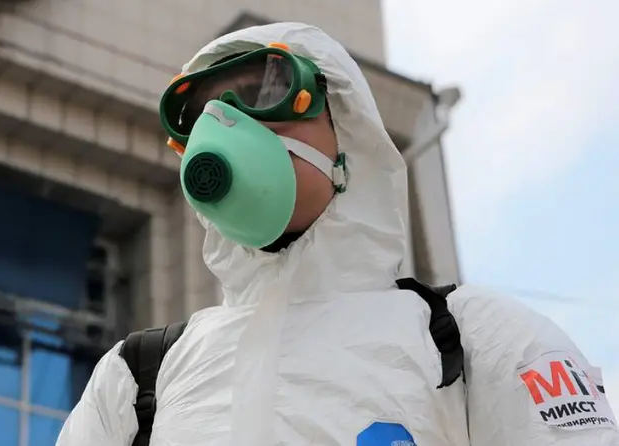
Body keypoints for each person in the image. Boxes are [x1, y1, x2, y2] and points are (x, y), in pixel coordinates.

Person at [55, 22, 618, 446]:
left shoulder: (470, 336)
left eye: (265, 93)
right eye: (203, 114)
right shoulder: (138, 377)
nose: (228, 128)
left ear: (347, 135)